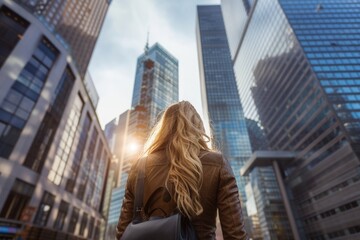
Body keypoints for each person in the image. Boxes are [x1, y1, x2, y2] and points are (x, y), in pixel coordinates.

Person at [116, 101, 248, 240]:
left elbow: (122, 233)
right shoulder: (218, 164)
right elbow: (235, 234)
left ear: (163, 128)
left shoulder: (139, 166)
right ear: (198, 128)